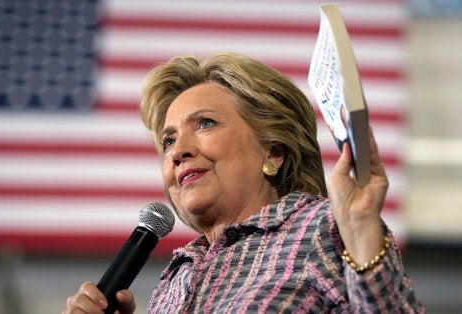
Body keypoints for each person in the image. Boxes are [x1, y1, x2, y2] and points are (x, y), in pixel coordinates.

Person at [64, 52, 424, 313]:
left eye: (205, 123)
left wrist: (361, 232)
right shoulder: (176, 275)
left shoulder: (322, 228)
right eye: (168, 141)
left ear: (274, 151)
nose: (177, 152)